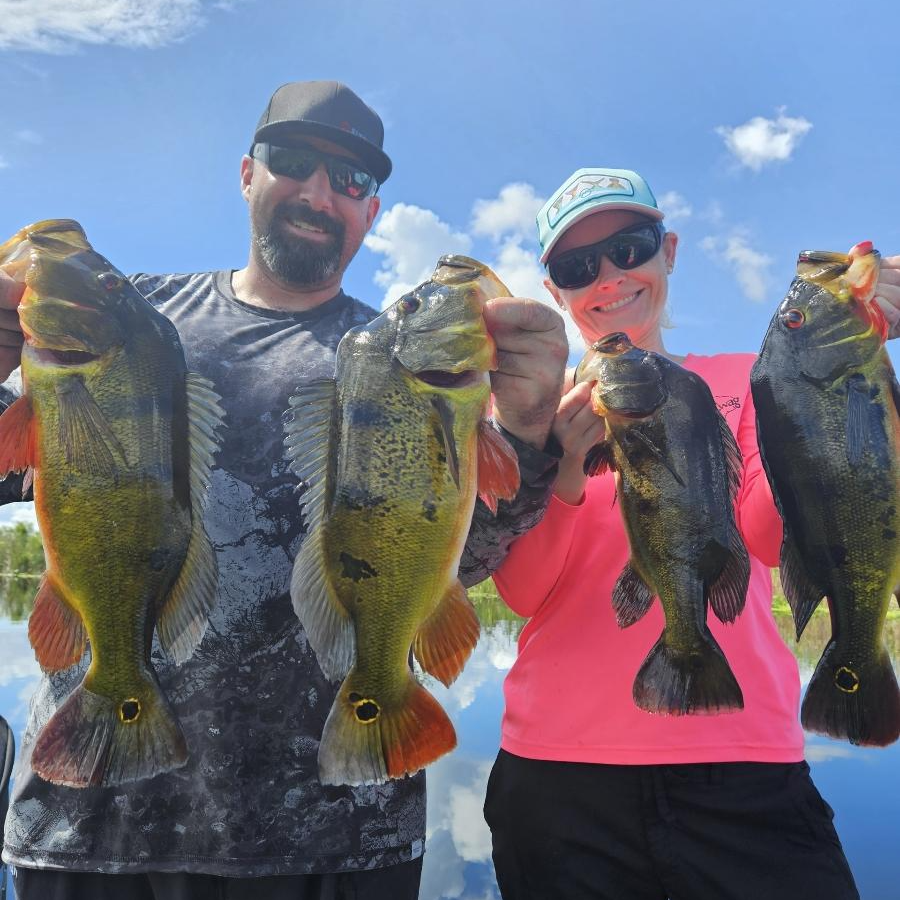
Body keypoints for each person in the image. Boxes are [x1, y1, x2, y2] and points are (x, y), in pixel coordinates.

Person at [0, 81, 568, 900]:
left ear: (374, 212)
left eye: (352, 180)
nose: (318, 192)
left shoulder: (397, 358)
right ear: (245, 173)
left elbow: (461, 561)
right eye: (293, 162)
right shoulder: (131, 320)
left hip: (340, 836)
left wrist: (526, 433)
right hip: (97, 825)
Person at [483, 166, 900, 900]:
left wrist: (848, 366)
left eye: (631, 248)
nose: (609, 277)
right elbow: (523, 592)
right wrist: (566, 464)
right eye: (579, 267)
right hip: (558, 777)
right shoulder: (524, 418)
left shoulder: (755, 377)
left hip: (748, 770)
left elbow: (771, 539)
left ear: (668, 249)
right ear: (555, 292)